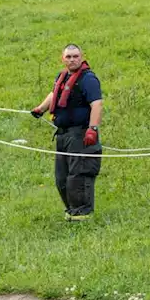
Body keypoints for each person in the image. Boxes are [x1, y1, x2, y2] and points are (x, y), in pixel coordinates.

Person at [31, 44, 103, 221]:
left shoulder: (88, 79)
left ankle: (83, 215)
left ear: (82, 57)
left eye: (75, 56)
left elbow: (97, 104)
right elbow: (54, 94)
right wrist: (41, 109)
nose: (72, 59)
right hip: (63, 135)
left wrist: (92, 129)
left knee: (78, 175)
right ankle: (72, 211)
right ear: (62, 58)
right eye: (69, 57)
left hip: (81, 134)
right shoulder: (62, 77)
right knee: (61, 178)